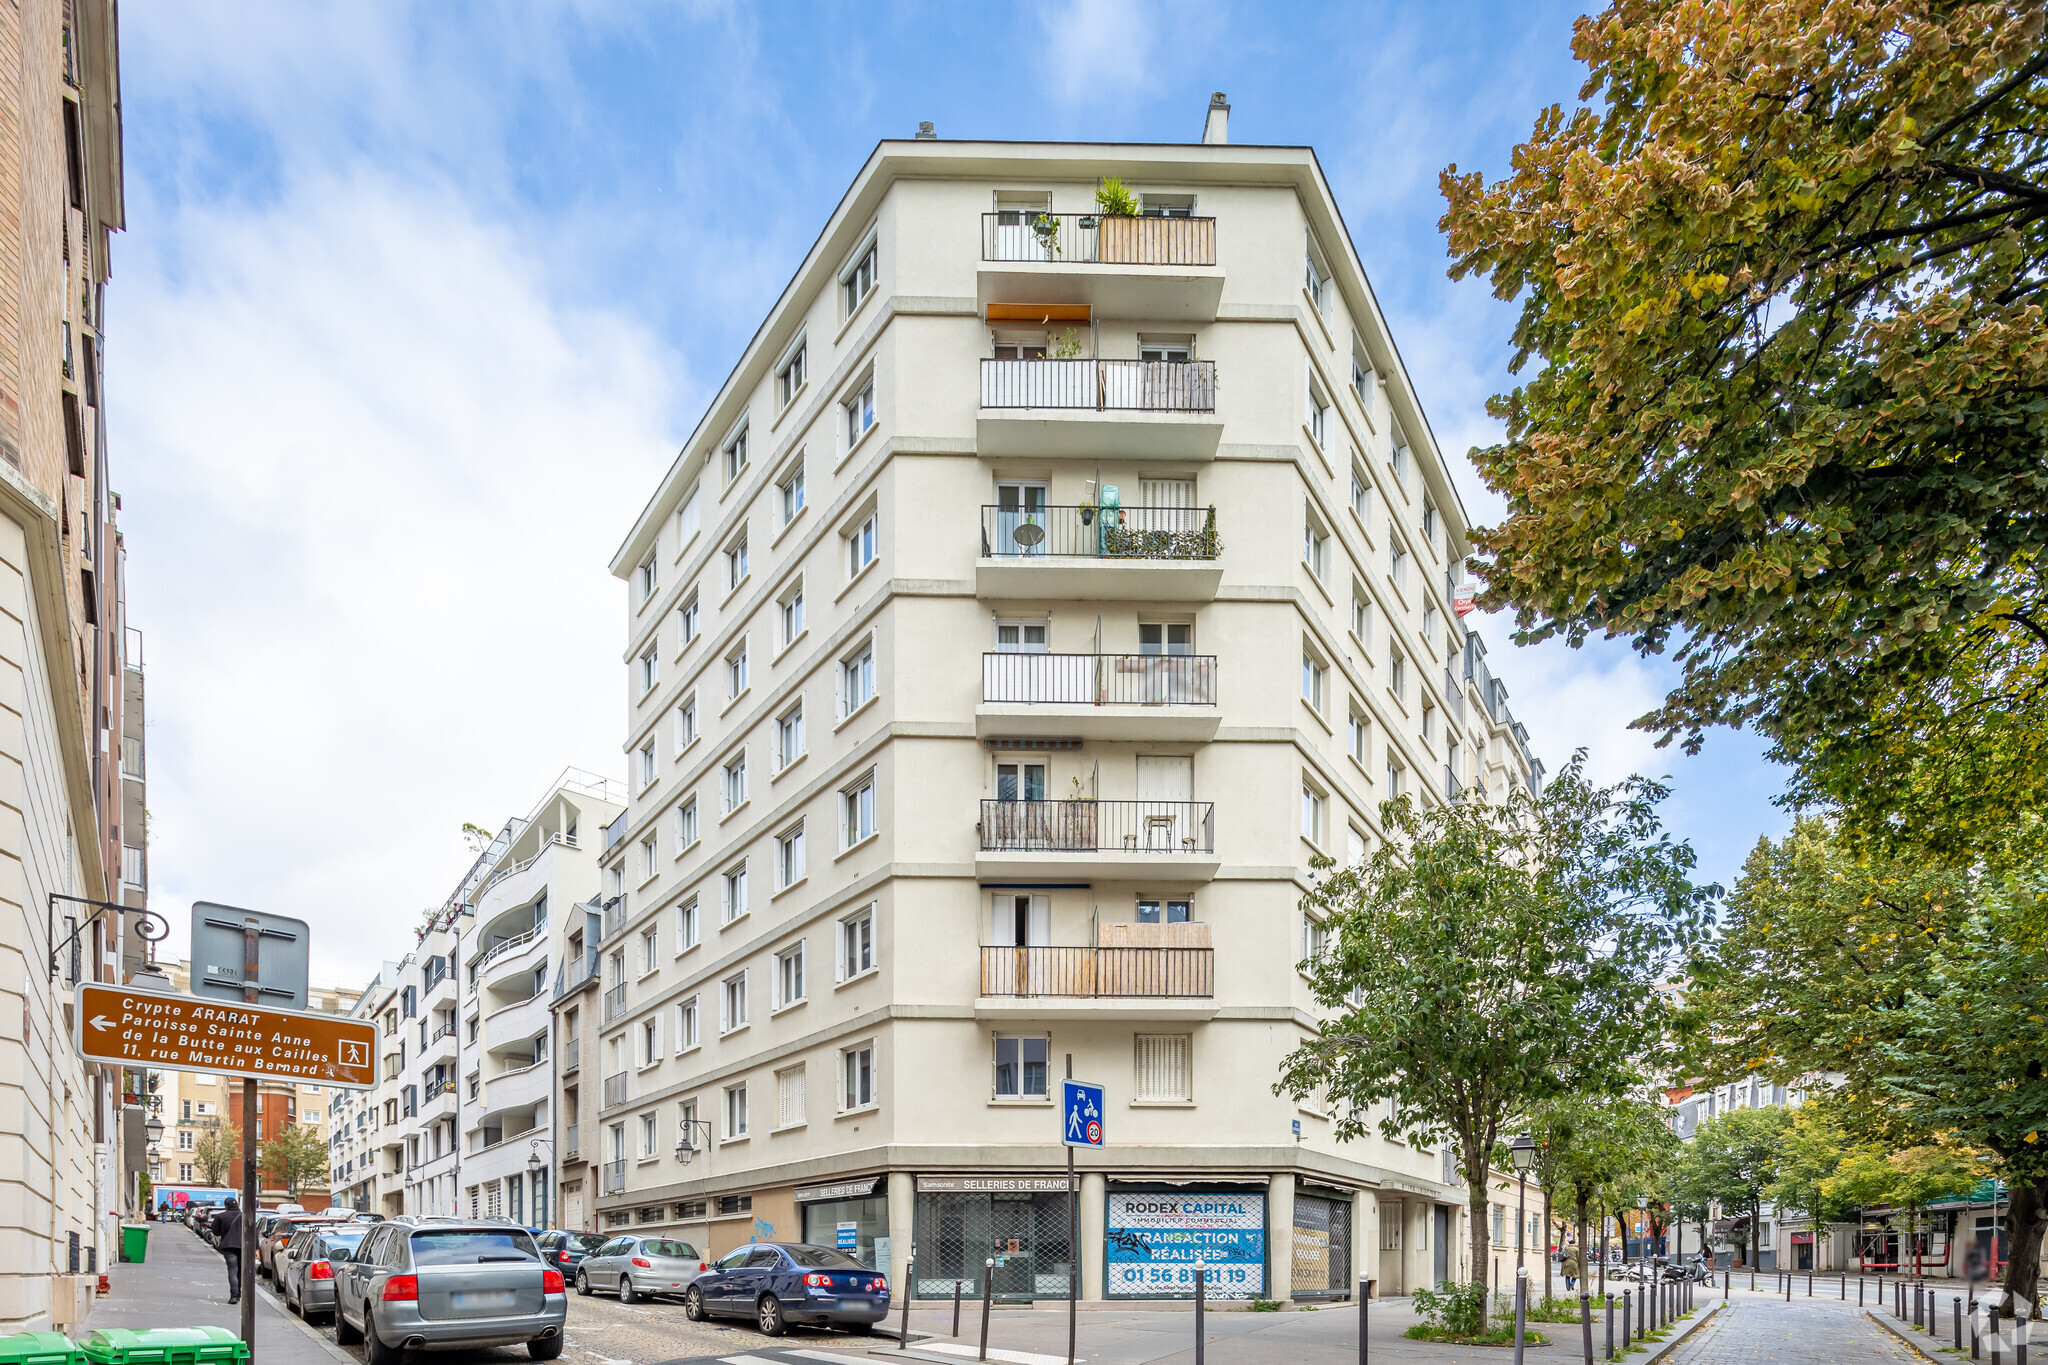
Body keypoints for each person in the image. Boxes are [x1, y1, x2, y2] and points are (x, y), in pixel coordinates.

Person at [210, 1198, 243, 1304]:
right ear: (237, 1204)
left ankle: (234, 1295)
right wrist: (256, 1248)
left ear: (225, 1206)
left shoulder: (221, 1216)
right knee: (241, 1271)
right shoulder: (245, 1215)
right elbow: (253, 1231)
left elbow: (216, 1232)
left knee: (233, 1270)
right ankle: (239, 1292)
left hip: (229, 1246)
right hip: (243, 1247)